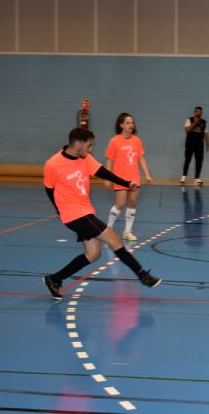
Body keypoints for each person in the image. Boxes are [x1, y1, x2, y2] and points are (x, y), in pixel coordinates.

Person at [42, 127, 161, 300]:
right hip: (74, 214)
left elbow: (104, 172)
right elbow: (49, 189)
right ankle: (143, 275)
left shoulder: (85, 158)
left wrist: (127, 183)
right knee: (115, 239)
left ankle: (54, 279)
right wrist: (59, 210)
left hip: (85, 209)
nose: (90, 149)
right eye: (89, 146)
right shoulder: (53, 163)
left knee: (93, 254)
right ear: (78, 144)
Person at [105, 113, 153, 241]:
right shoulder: (114, 141)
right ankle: (108, 229)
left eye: (132, 122)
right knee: (120, 203)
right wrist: (108, 178)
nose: (130, 125)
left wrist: (147, 174)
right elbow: (109, 161)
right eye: (127, 123)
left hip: (134, 178)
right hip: (119, 178)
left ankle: (127, 231)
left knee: (132, 203)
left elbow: (141, 158)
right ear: (121, 125)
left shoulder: (137, 140)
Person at [181, 106, 209, 185]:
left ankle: (197, 178)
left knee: (199, 161)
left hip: (199, 145)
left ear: (201, 113)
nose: (198, 113)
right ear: (194, 112)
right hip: (190, 144)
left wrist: (207, 144)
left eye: (200, 112)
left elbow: (206, 133)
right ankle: (183, 176)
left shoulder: (204, 122)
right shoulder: (189, 120)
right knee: (187, 160)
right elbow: (187, 130)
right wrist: (195, 123)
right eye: (197, 111)